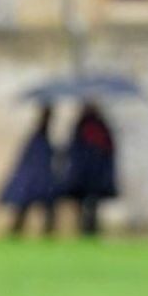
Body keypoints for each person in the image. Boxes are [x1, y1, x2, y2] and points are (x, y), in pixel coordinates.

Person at [0, 104, 59, 236]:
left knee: (40, 209)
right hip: (35, 178)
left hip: (37, 178)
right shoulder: (38, 137)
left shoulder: (41, 136)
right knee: (29, 208)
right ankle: (19, 232)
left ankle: (44, 232)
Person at [59, 101, 118, 236]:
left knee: (92, 205)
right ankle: (84, 229)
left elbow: (108, 148)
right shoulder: (82, 126)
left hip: (93, 173)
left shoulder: (98, 126)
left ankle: (90, 229)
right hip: (83, 173)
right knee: (83, 204)